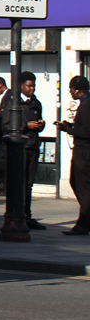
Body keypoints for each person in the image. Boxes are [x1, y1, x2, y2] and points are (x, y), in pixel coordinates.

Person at [54, 75, 90, 236]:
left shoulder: (87, 105)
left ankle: (83, 223)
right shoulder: (85, 103)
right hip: (82, 151)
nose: (70, 92)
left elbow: (86, 131)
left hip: (84, 152)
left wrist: (68, 129)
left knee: (83, 188)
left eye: (71, 89)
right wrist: (70, 125)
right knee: (76, 183)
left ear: (78, 89)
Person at [14, 71, 47, 230]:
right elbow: (6, 126)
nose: (32, 89)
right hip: (21, 148)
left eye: (33, 86)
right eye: (29, 86)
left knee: (29, 184)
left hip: (33, 146)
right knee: (20, 184)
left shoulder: (36, 103)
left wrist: (40, 125)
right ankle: (18, 214)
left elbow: (38, 123)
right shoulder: (15, 104)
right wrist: (26, 126)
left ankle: (27, 214)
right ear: (21, 86)